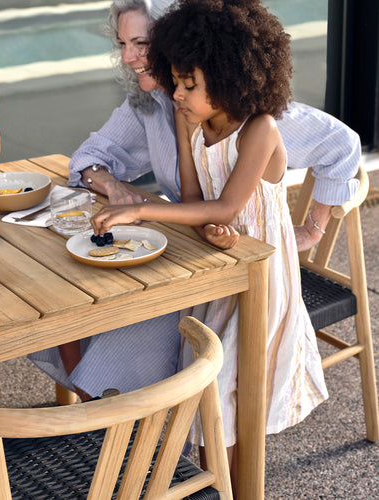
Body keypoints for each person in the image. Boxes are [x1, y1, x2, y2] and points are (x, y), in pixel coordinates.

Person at [29, 0, 360, 401]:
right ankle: (117, 424)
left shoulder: (248, 112)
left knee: (113, 324)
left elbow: (343, 143)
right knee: (76, 307)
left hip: (239, 270)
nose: (129, 57)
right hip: (196, 250)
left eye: (141, 43)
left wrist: (311, 230)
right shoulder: (152, 107)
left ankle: (134, 426)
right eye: (122, 44)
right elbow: (88, 159)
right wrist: (115, 188)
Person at [90, 0, 329, 491]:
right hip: (218, 267)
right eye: (175, 81)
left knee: (239, 393)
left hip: (262, 274)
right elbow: (198, 201)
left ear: (228, 77)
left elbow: (225, 206)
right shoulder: (187, 119)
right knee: (210, 397)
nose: (176, 94)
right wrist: (209, 233)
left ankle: (242, 490)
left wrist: (140, 208)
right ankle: (218, 485)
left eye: (189, 84)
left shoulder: (259, 129)